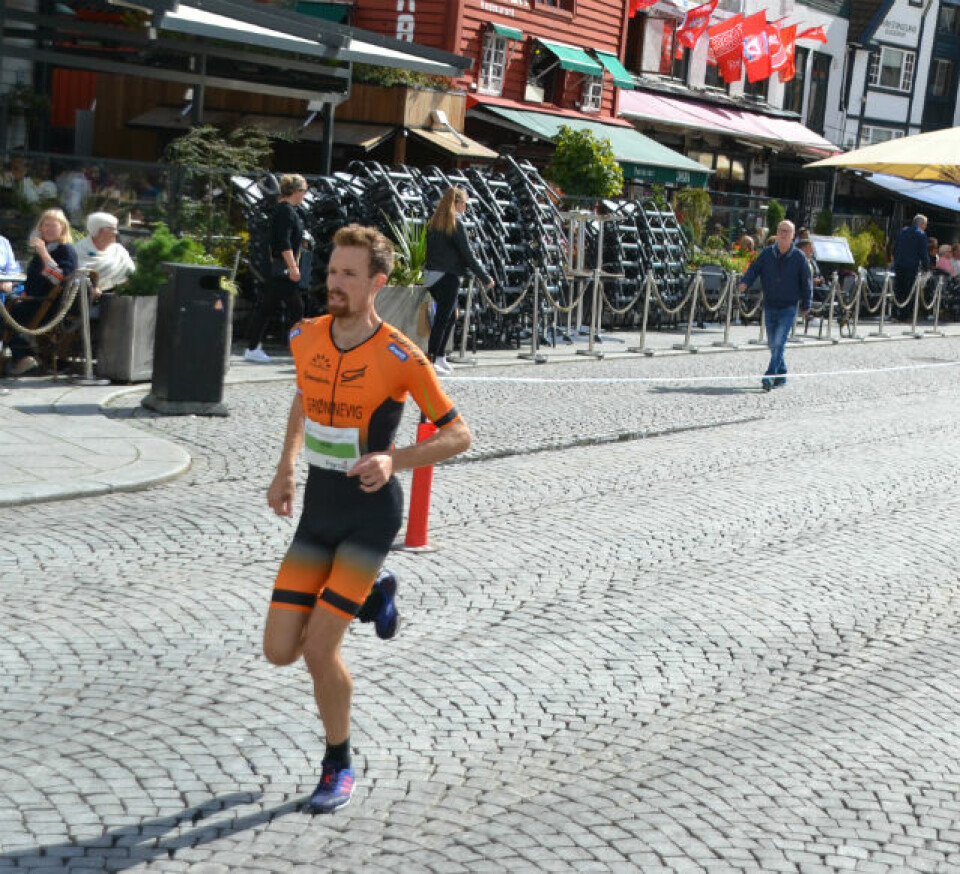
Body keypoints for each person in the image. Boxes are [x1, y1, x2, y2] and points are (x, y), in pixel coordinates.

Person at [262, 224, 471, 814]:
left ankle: (337, 764)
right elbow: (303, 396)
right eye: (331, 271)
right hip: (318, 509)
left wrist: (394, 458)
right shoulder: (305, 337)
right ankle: (375, 596)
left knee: (318, 651)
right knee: (279, 649)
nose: (334, 282)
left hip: (371, 515)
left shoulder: (400, 354)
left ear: (377, 283)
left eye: (349, 274)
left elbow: (460, 433)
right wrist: (285, 467)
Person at [423, 186, 493, 376]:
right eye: (464, 204)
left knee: (451, 316)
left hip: (433, 276)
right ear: (457, 203)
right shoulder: (455, 224)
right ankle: (431, 358)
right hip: (448, 276)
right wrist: (485, 277)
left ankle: (439, 356)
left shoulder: (434, 223)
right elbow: (467, 254)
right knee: (443, 317)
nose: (465, 208)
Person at [738, 220, 812, 392]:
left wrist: (806, 304)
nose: (784, 234)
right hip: (770, 304)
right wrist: (745, 283)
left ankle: (769, 376)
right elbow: (754, 269)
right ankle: (782, 373)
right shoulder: (766, 254)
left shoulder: (799, 257)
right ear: (777, 233)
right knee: (773, 343)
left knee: (779, 341)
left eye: (787, 231)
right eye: (781, 230)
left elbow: (806, 282)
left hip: (789, 306)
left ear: (793, 236)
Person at [245, 174, 308, 363]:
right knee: (296, 309)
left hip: (277, 270)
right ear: (296, 191)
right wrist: (293, 267)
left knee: (267, 307)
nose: (305, 195)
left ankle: (253, 347)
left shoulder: (284, 210)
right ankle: (300, 350)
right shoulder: (286, 211)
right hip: (282, 271)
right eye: (304, 191)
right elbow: (283, 242)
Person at [6, 209, 78, 376]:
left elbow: (59, 278)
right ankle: (27, 355)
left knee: (4, 315)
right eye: (45, 225)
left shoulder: (64, 250)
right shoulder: (47, 249)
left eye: (53, 226)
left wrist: (43, 252)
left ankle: (23, 356)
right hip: (35, 302)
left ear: (63, 229)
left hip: (47, 309)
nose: (48, 229)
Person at [75, 212, 136, 296]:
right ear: (99, 230)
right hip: (85, 300)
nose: (116, 232)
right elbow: (75, 276)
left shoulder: (119, 251)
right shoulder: (80, 250)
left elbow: (131, 274)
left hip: (116, 299)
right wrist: (90, 290)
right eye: (112, 229)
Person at [892, 214, 929, 320]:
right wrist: (926, 266)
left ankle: (895, 313)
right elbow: (923, 253)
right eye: (925, 224)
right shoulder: (921, 234)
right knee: (908, 291)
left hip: (899, 264)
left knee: (898, 289)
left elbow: (895, 247)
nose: (925, 227)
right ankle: (904, 315)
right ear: (921, 224)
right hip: (911, 266)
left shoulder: (903, 231)